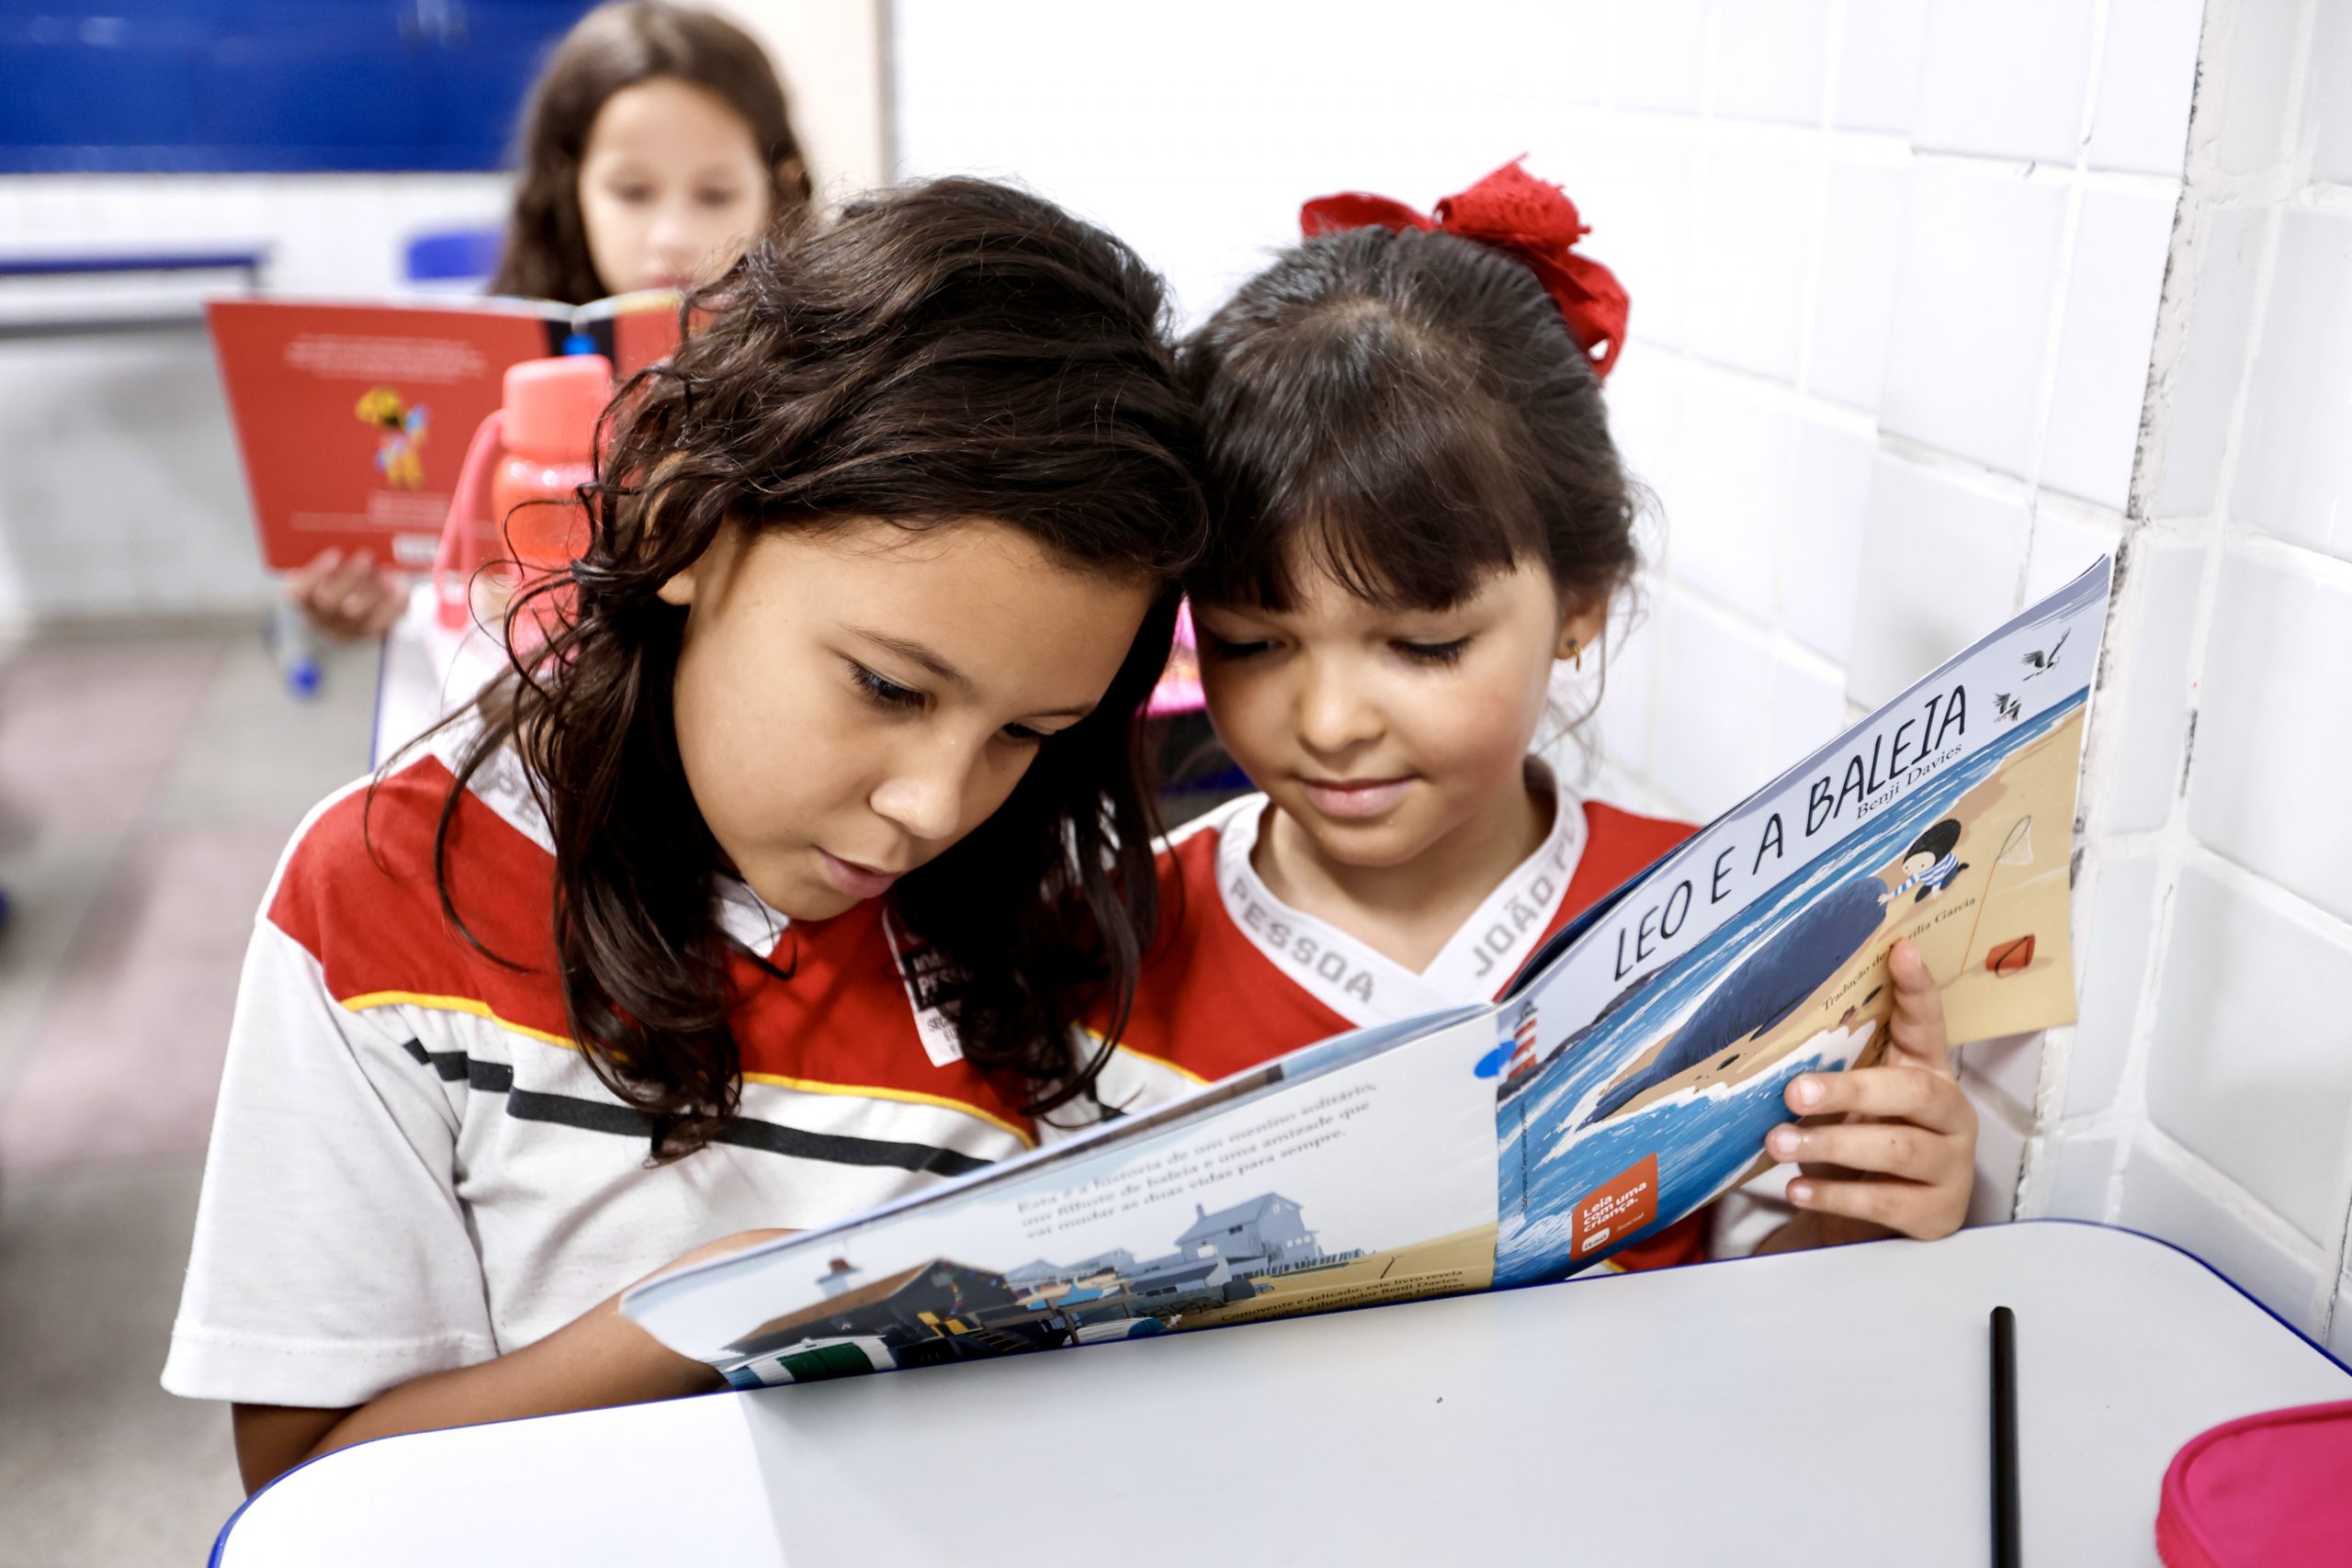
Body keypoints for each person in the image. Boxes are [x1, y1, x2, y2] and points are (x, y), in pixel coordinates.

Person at [164, 178, 1208, 1492]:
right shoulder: (386, 896)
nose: (934, 806)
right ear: (681, 521)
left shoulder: (1043, 893)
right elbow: (310, 1482)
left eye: (1027, 731)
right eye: (887, 686)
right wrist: (701, 1315)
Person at [1082, 161, 1976, 1265]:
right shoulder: (1108, 949)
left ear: (1577, 608)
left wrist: (1866, 1207)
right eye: (1250, 644)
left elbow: (1765, 1314)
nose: (1326, 721)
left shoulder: (1719, 920)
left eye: (1422, 646)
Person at [290, 0, 810, 640]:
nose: (673, 237)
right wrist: (392, 600)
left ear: (780, 188)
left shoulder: (814, 363)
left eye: (715, 194)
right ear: (571, 187)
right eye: (633, 191)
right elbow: (468, 588)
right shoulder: (505, 358)